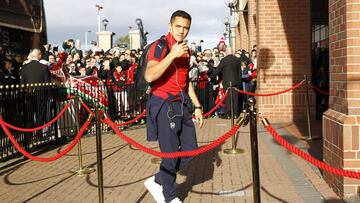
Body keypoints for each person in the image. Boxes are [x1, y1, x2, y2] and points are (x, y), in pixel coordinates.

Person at [143, 10, 203, 203]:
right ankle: (169, 197)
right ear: (170, 26)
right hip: (163, 103)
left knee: (191, 150)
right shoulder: (160, 46)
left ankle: (158, 180)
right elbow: (150, 76)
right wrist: (172, 55)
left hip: (181, 103)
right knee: (169, 155)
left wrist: (197, 105)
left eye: (186, 28)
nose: (182, 31)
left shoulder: (186, 49)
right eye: (178, 26)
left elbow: (186, 81)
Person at [210, 47, 242, 118]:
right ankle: (236, 114)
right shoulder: (237, 60)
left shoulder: (224, 60)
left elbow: (218, 70)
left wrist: (211, 77)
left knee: (228, 98)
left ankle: (228, 114)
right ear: (232, 52)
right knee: (235, 99)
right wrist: (239, 82)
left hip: (227, 82)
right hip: (236, 82)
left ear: (227, 52)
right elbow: (240, 72)